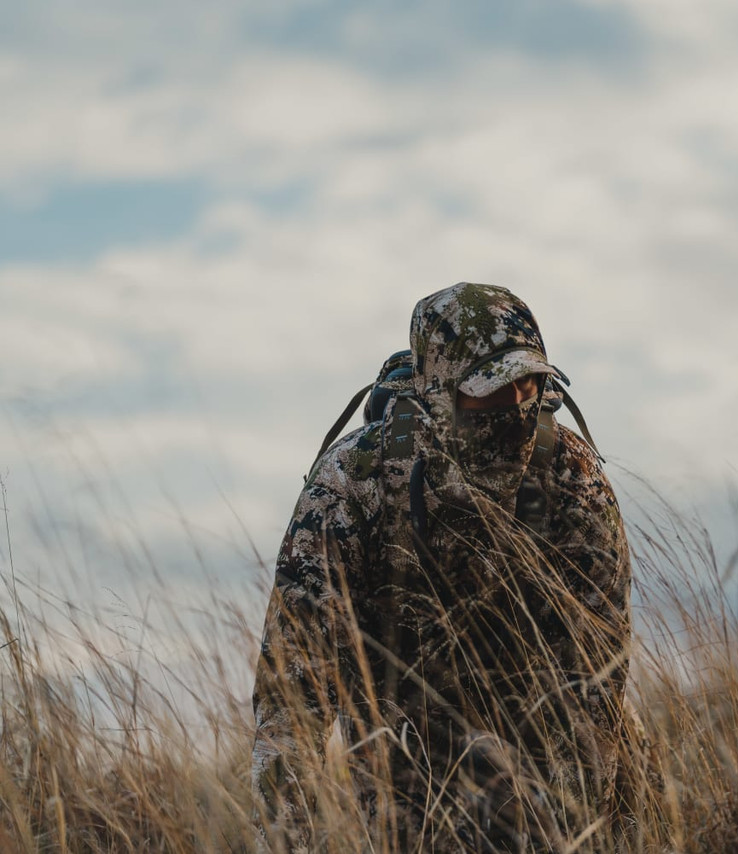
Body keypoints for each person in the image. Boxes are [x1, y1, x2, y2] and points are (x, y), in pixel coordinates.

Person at [251, 283, 635, 852]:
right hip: (403, 750)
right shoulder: (352, 486)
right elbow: (291, 708)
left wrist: (574, 833)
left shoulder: (572, 478)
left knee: (629, 796)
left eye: (529, 384)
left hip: (543, 734)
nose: (517, 409)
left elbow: (599, 687)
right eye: (491, 394)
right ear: (435, 397)